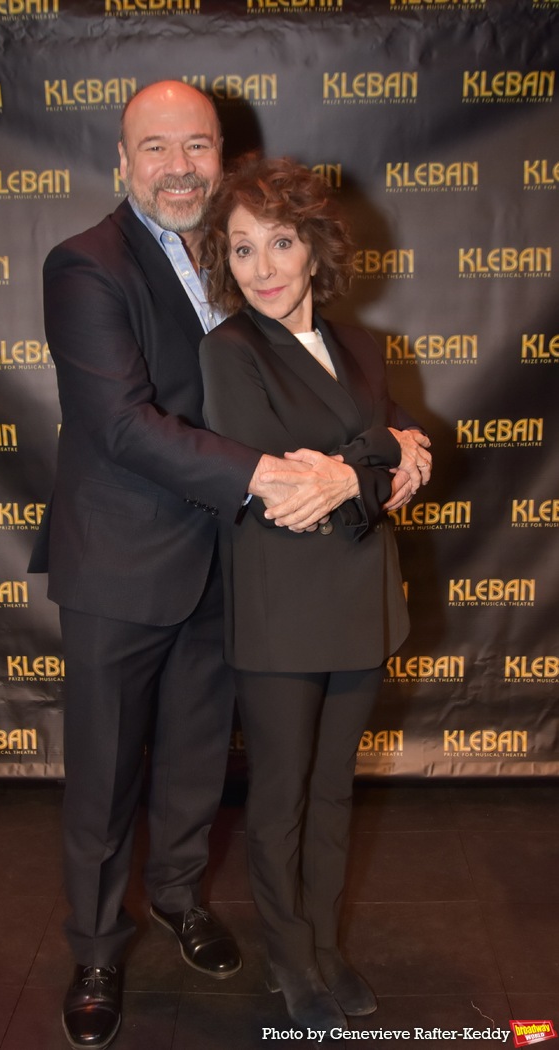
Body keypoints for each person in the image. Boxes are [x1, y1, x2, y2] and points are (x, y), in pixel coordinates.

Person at [33, 83, 417, 1050]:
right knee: (108, 771)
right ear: (123, 161)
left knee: (200, 763)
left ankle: (178, 901)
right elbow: (120, 423)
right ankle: (94, 946)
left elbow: (320, 388)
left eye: (196, 144)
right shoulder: (85, 264)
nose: (177, 165)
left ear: (221, 155)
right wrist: (273, 474)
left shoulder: (235, 252)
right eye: (154, 146)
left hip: (231, 561)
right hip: (122, 560)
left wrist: (396, 444)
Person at [198, 155, 432, 1036]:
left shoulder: (363, 346)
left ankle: (327, 947)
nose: (263, 268)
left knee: (335, 790)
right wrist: (378, 458)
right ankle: (290, 959)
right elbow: (287, 495)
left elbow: (394, 444)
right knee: (281, 794)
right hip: (281, 608)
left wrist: (380, 455)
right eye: (243, 248)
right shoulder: (226, 352)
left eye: (280, 242)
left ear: (314, 247)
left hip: (364, 600)